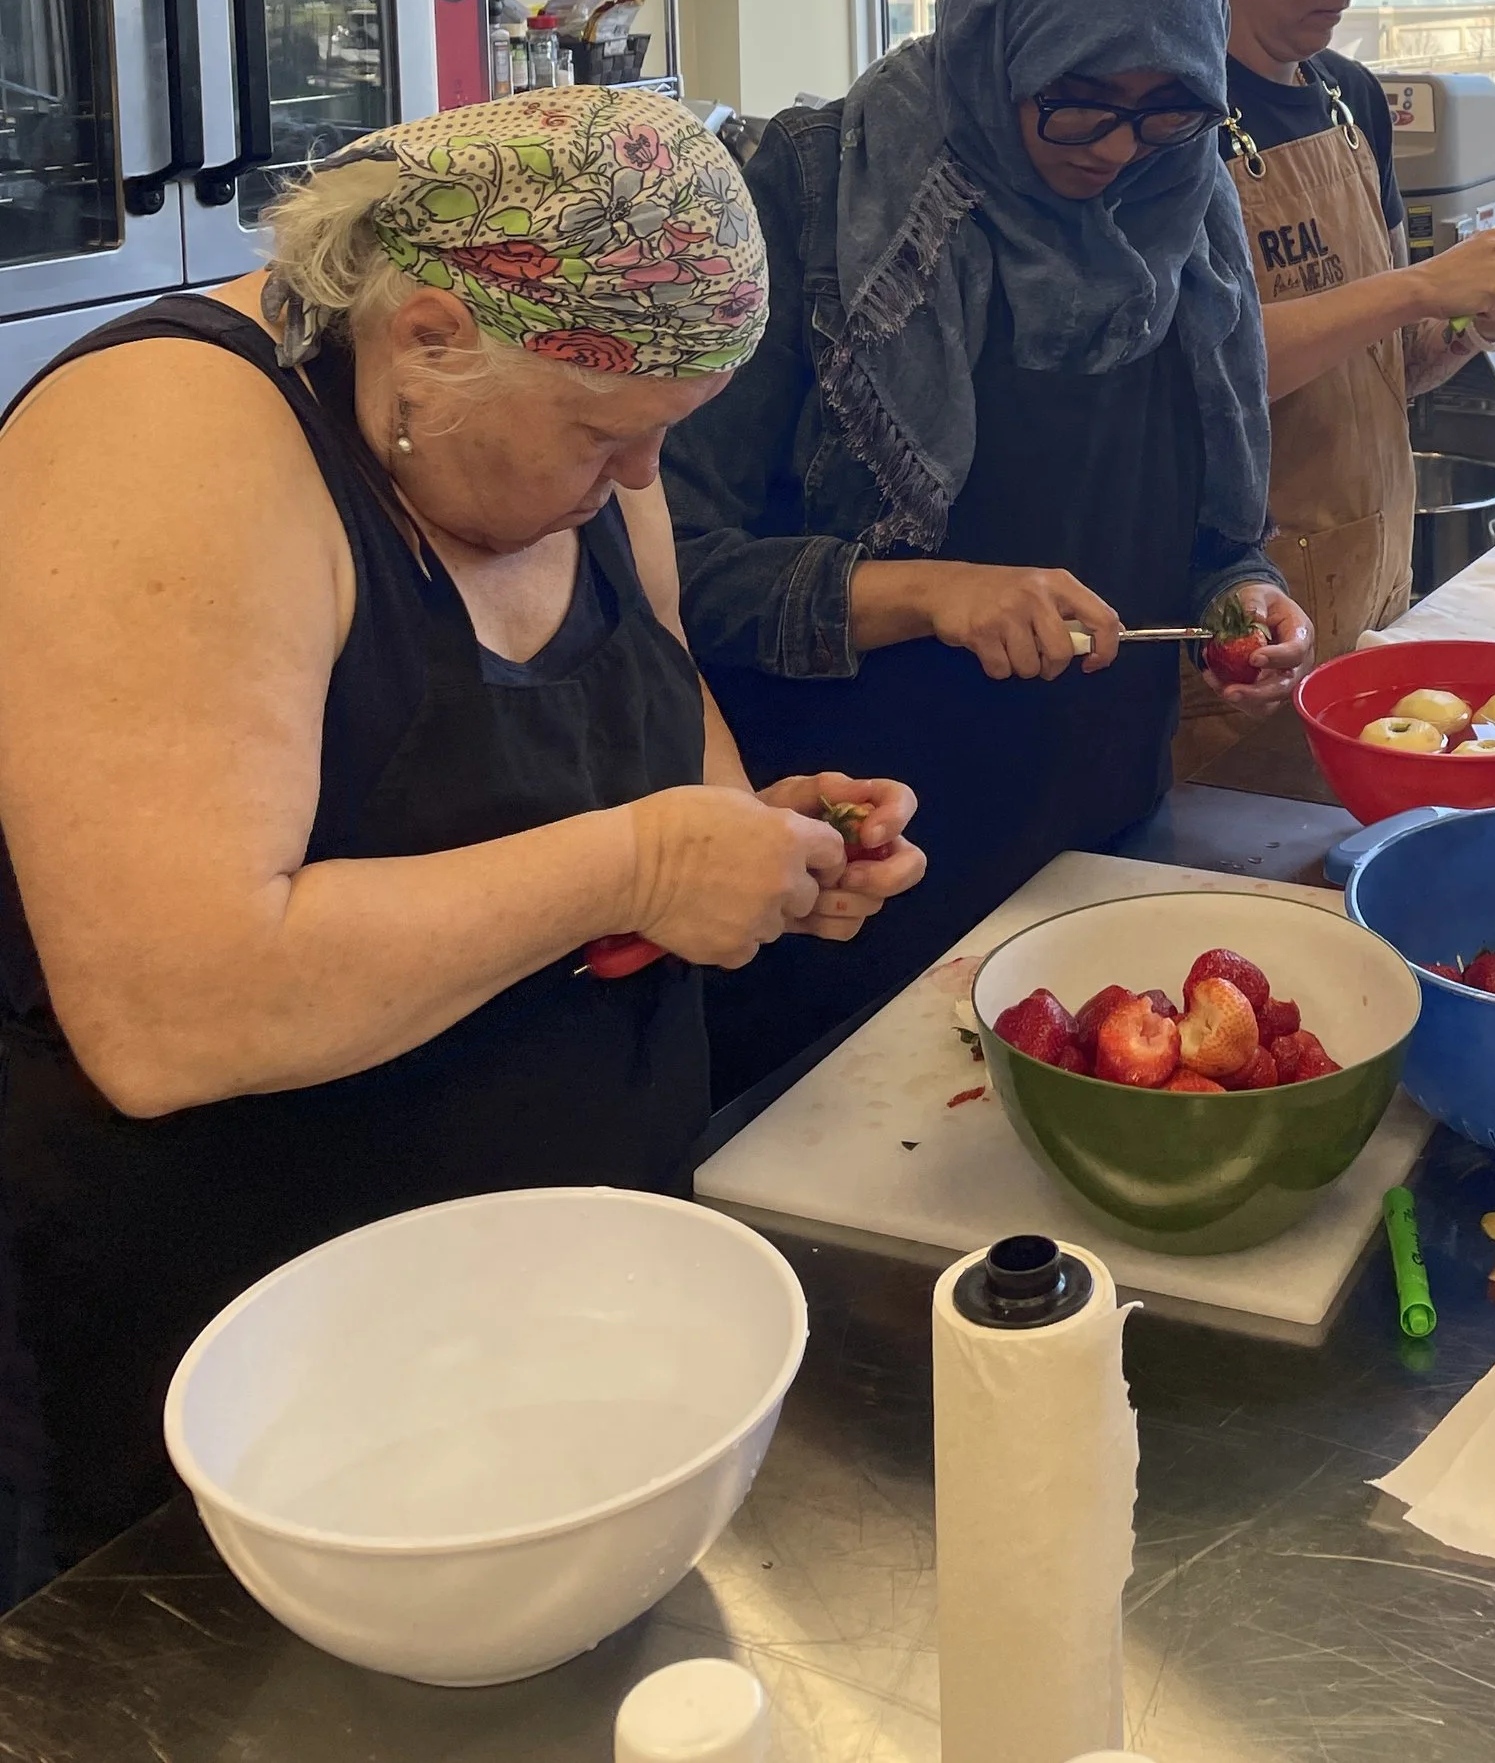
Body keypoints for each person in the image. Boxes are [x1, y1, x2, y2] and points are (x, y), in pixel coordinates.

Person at [0, 90, 925, 1578]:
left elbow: (663, 719)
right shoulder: (169, 436)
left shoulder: (578, 452)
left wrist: (761, 840)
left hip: (566, 1318)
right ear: (429, 337)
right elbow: (175, 1008)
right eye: (609, 436)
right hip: (263, 1381)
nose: (638, 485)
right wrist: (637, 865)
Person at [666, 0, 1312, 1103]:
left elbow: (1214, 526)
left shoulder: (1181, 208)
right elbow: (675, 577)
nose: (1116, 150)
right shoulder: (808, 203)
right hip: (853, 871)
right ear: (998, 45)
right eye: (1076, 107)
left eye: (1166, 109)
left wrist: (1245, 589)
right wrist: (926, 592)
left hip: (1096, 830)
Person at [1169, 0, 1495, 729]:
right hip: (1233, 612)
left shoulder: (1348, 101)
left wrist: (1477, 322)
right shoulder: (1164, 121)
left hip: (1368, 588)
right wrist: (1422, 287)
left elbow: (1389, 368)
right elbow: (1204, 383)